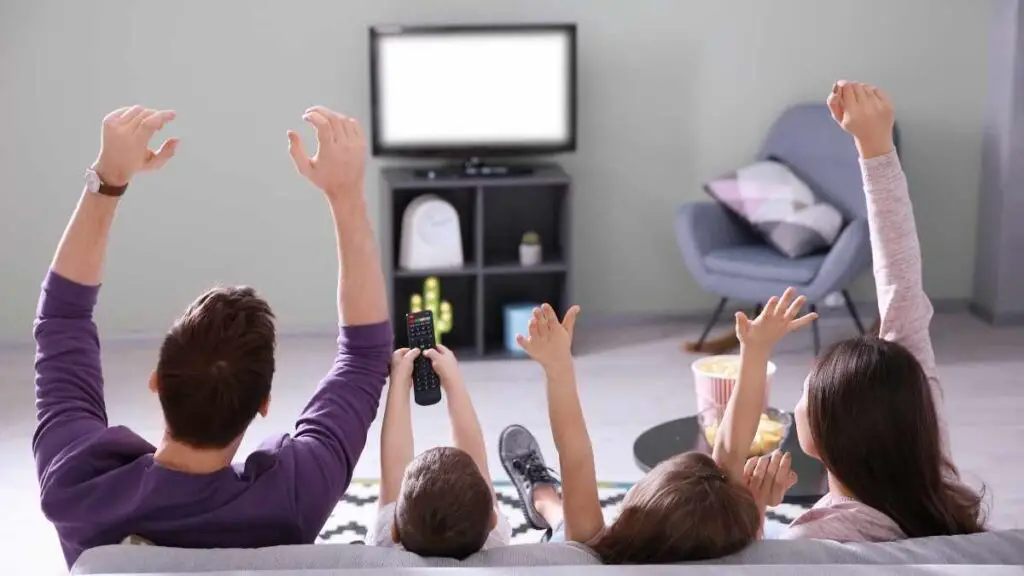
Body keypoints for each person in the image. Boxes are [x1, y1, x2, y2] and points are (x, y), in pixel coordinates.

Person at [33, 105, 391, 567]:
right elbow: (365, 357)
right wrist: (346, 197)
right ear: (263, 404)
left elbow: (62, 319)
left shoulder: (75, 484)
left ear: (157, 379)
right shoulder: (293, 500)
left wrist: (108, 180)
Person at [752, 81, 987, 542]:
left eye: (807, 393)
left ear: (829, 435)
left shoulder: (819, 541)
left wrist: (754, 513)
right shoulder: (933, 469)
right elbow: (900, 282)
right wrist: (875, 148)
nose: (797, 401)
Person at [502, 298, 816, 563]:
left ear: (629, 516)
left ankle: (542, 497)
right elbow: (731, 450)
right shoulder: (729, 545)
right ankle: (545, 501)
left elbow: (575, 456)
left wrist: (558, 367)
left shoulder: (589, 553)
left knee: (564, 528)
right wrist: (756, 352)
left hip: (570, 547)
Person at [373, 345, 510, 558]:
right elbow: (475, 455)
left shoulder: (386, 544)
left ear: (394, 530)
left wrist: (398, 383)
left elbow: (393, 465)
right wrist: (453, 381)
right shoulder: (495, 541)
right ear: (493, 520)